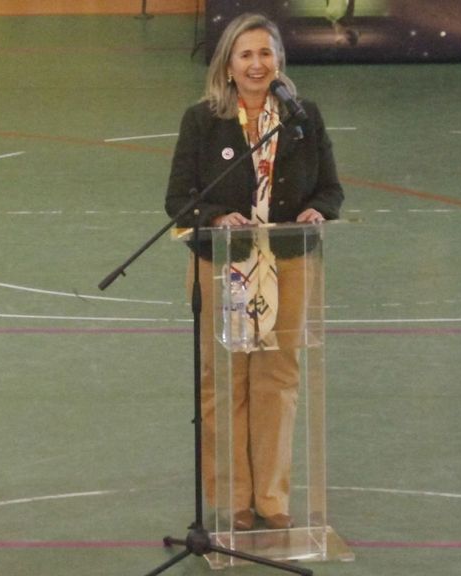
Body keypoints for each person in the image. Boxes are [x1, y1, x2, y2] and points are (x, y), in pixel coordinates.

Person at [164, 13, 343, 531]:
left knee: (278, 380)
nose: (257, 64)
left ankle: (272, 498)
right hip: (225, 267)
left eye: (266, 54)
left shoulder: (303, 117)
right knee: (226, 383)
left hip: (289, 262)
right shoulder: (202, 120)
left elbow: (330, 188)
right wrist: (217, 217)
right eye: (246, 55)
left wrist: (319, 212)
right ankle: (233, 499)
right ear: (227, 65)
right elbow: (178, 201)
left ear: (279, 62)